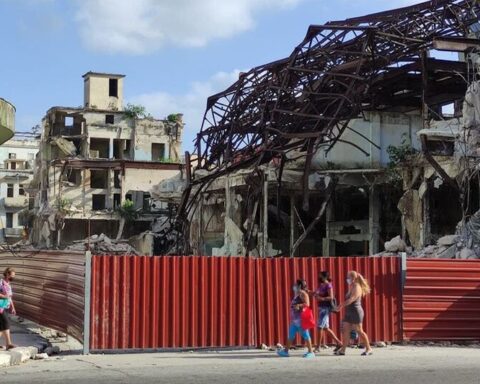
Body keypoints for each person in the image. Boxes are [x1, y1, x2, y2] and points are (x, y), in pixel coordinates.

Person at [336, 271, 372, 356]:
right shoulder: (351, 286)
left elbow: (352, 299)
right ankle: (343, 350)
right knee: (345, 329)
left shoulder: (357, 287)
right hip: (349, 312)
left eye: (348, 277)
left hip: (356, 312)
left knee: (359, 331)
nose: (347, 279)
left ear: (353, 278)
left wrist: (341, 305)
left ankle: (369, 348)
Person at [277, 279, 315, 358]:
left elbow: (307, 304)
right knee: (291, 335)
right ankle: (285, 351)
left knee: (306, 335)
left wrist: (299, 306)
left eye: (295, 284)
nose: (294, 286)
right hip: (295, 320)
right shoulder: (298, 294)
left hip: (301, 319)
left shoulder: (303, 293)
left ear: (299, 286)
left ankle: (311, 352)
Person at [313, 271, 342, 352]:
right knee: (326, 328)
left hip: (325, 309)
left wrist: (321, 298)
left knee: (320, 327)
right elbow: (316, 293)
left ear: (324, 277)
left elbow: (331, 297)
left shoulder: (328, 285)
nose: (319, 277)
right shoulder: (321, 285)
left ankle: (318, 347)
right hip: (321, 308)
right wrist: (310, 292)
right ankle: (339, 343)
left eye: (320, 276)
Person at [0, 267, 17, 350]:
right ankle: (8, 344)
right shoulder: (1, 282)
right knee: (6, 323)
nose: (13, 277)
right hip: (0, 306)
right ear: (7, 274)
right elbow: (6, 296)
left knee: (1, 326)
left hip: (5, 306)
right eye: (12, 275)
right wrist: (4, 296)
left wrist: (12, 307)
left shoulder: (8, 285)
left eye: (14, 276)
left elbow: (9, 298)